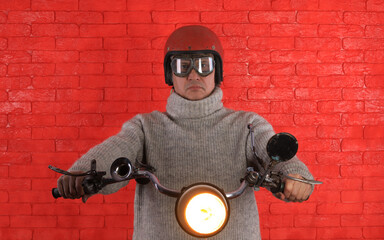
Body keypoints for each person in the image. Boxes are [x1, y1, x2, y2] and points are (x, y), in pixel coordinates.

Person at [56, 25, 314, 239]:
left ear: (217, 71)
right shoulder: (146, 126)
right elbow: (118, 148)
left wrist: (296, 178)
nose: (193, 75)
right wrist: (84, 172)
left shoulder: (247, 125)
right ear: (170, 73)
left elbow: (277, 157)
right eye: (182, 66)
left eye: (204, 65)